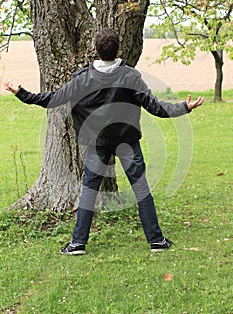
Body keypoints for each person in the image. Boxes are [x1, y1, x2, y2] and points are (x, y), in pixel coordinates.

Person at [4, 28, 204, 255]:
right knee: (141, 189)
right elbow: (155, 106)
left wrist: (21, 92)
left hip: (97, 142)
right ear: (118, 49)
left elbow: (51, 99)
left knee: (89, 190)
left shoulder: (83, 78)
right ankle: (156, 241)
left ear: (96, 50)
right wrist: (183, 108)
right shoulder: (130, 76)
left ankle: (78, 243)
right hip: (127, 141)